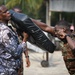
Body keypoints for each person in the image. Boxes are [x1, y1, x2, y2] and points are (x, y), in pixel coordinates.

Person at [0, 5, 27, 75]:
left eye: (7, 10)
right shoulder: (5, 31)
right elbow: (16, 53)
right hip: (7, 70)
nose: (8, 12)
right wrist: (25, 39)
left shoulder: (8, 28)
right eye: (5, 12)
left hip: (10, 69)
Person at [10, 7, 30, 75]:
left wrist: (27, 56)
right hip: (9, 62)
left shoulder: (20, 28)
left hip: (19, 61)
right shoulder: (7, 28)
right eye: (18, 14)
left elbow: (24, 43)